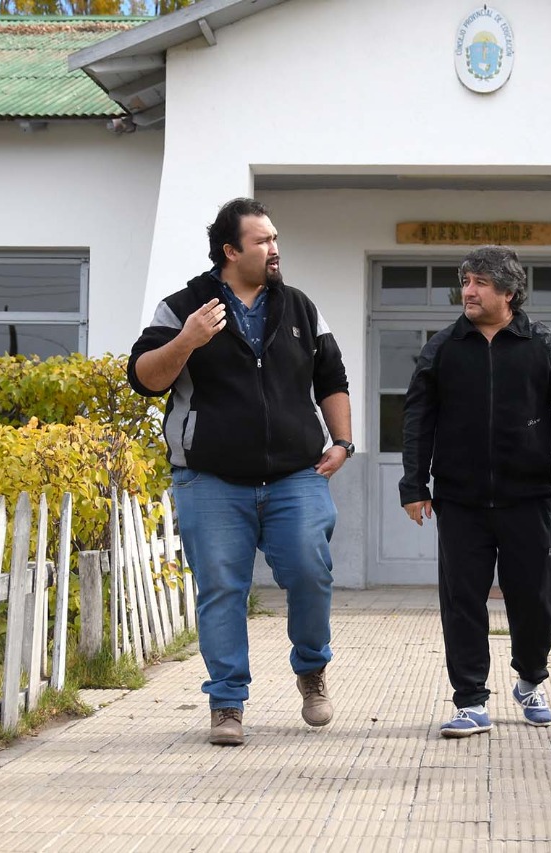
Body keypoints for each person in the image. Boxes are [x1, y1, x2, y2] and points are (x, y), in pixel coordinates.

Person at [127, 198, 352, 747]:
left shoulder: (299, 307)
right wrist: (188, 340)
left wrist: (343, 441)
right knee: (221, 588)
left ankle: (311, 669)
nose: (274, 249)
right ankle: (227, 702)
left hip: (295, 475)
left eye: (274, 239)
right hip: (210, 480)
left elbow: (332, 378)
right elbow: (145, 378)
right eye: (262, 241)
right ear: (231, 252)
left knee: (309, 570)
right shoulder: (181, 306)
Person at [400, 245, 551, 738]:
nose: (467, 291)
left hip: (528, 496)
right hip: (460, 499)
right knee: (462, 599)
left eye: (479, 283)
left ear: (508, 292)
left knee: (537, 596)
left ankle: (531, 679)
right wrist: (413, 484)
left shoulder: (544, 344)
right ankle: (469, 700)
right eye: (465, 281)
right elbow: (416, 416)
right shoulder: (443, 346)